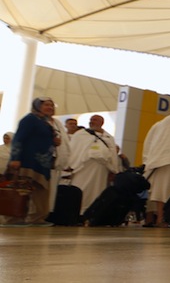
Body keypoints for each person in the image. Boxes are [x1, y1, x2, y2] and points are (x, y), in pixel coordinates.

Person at [4, 97, 63, 226]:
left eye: (52, 106)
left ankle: (37, 218)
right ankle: (13, 219)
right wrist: (15, 158)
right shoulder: (29, 119)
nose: (50, 108)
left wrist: (54, 142)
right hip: (27, 163)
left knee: (40, 191)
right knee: (21, 189)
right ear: (37, 106)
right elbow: (18, 139)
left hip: (42, 165)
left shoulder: (45, 122)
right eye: (46, 105)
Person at [68, 114, 121, 215]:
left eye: (95, 120)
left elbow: (113, 154)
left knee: (97, 191)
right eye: (91, 120)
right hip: (83, 168)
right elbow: (73, 150)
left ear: (102, 122)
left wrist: (113, 170)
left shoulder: (109, 137)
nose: (92, 122)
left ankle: (91, 213)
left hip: (101, 169)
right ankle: (76, 213)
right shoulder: (81, 134)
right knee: (79, 189)